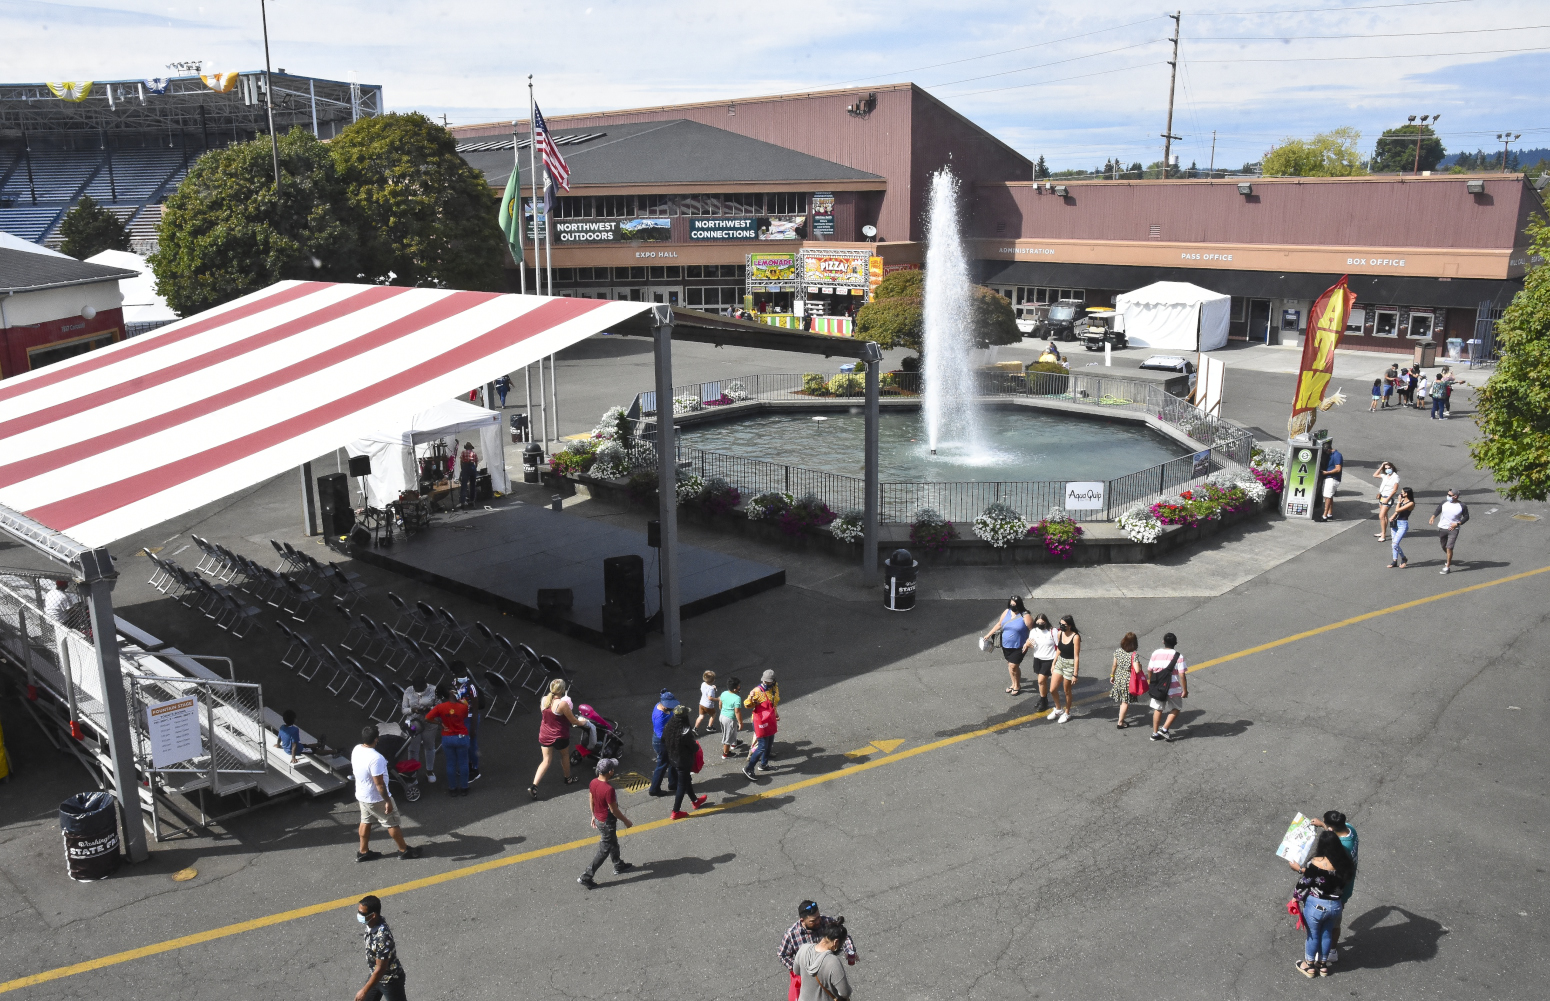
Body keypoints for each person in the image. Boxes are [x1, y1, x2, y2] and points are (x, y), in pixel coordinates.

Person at [1289, 829, 1357, 977]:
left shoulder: (1316, 863)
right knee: (1326, 935)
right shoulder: (1345, 863)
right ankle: (1323, 966)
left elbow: (1304, 883)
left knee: (1313, 935)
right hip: (1335, 906)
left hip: (1316, 906)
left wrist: (1296, 897)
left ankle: (1309, 966)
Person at [352, 725, 422, 862]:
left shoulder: (357, 749)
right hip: (376, 798)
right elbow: (379, 784)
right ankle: (403, 850)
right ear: (376, 739)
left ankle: (363, 851)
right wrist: (388, 801)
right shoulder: (376, 758)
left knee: (365, 821)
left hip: (362, 795)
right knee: (392, 822)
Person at [779, 900, 858, 1001]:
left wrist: (850, 950)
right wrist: (803, 967)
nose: (818, 922)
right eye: (813, 921)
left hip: (825, 973)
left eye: (818, 917)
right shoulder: (792, 935)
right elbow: (782, 955)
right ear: (802, 920)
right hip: (808, 977)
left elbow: (842, 934)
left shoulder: (825, 923)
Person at [578, 757, 635, 889]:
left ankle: (618, 865)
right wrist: (626, 821)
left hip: (599, 819)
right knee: (604, 850)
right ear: (610, 772)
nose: (614, 770)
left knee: (612, 842)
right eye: (613, 769)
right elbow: (614, 810)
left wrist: (593, 815)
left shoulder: (593, 782)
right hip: (606, 822)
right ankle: (586, 876)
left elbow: (591, 799)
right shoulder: (609, 790)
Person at [1311, 810, 1359, 964]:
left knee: (1332, 923)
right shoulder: (1350, 829)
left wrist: (1302, 870)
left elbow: (1326, 869)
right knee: (1333, 921)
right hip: (1347, 885)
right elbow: (1334, 833)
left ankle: (1331, 951)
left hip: (1338, 890)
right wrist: (1322, 825)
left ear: (1332, 828)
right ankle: (1330, 948)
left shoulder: (1341, 847)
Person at [531, 679, 582, 798]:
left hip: (544, 734)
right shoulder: (562, 704)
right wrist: (583, 723)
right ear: (563, 690)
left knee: (546, 760)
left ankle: (534, 786)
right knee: (564, 755)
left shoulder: (544, 700)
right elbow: (573, 720)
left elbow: (545, 716)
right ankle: (568, 778)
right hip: (560, 736)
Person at [355, 895, 407, 1001]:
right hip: (376, 976)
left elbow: (380, 969)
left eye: (362, 913)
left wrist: (364, 991)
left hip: (391, 981)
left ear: (373, 915)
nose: (359, 915)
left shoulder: (382, 938)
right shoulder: (372, 924)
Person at [662, 705, 709, 819]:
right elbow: (694, 748)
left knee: (686, 780)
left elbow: (663, 740)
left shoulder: (669, 726)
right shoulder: (685, 731)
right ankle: (675, 811)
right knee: (681, 786)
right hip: (684, 762)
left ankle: (695, 801)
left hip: (673, 759)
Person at [423, 687, 471, 796]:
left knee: (450, 764)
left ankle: (452, 789)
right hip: (461, 737)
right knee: (463, 763)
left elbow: (427, 718)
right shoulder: (463, 707)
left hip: (447, 737)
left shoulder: (440, 707)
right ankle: (464, 787)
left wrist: (439, 724)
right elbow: (468, 711)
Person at [983, 595, 1033, 696]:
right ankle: (1013, 683)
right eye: (1011, 604)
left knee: (1013, 665)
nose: (1012, 606)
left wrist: (1028, 643)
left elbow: (1033, 631)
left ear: (1019, 605)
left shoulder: (1025, 616)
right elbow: (999, 624)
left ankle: (1017, 685)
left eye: (1014, 605)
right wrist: (988, 635)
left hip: (1019, 646)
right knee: (1010, 665)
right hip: (1006, 645)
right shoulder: (1007, 612)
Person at [795, 919, 853, 1001]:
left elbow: (796, 971)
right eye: (841, 944)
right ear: (836, 942)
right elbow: (844, 992)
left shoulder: (804, 948)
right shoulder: (832, 962)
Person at [1146, 633, 1188, 741]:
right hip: (1173, 688)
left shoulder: (1156, 653)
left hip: (1158, 687)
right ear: (1176, 643)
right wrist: (1185, 690)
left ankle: (1155, 734)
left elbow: (1149, 670)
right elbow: (1182, 675)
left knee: (1158, 709)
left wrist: (1152, 682)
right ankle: (1164, 729)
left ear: (1163, 642)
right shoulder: (1179, 656)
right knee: (1176, 708)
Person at [399, 681, 440, 784]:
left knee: (430, 747)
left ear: (425, 686)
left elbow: (440, 707)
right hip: (414, 724)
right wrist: (412, 710)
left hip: (429, 724)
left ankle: (429, 771)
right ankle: (412, 774)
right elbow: (404, 710)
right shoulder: (408, 691)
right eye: (417, 691)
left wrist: (429, 709)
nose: (419, 693)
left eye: (421, 691)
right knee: (412, 749)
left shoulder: (434, 690)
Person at [1428, 487, 1469, 574]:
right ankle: (1449, 558)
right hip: (1443, 527)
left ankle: (1447, 567)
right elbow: (1438, 509)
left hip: (1453, 529)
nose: (1447, 496)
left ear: (1455, 496)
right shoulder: (1444, 502)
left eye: (1449, 495)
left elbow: (1466, 517)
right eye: (1447, 494)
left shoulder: (1462, 506)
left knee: (1449, 547)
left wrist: (1457, 524)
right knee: (1444, 546)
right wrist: (1433, 517)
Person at [647, 689, 680, 797]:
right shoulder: (660, 717)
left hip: (665, 740)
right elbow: (662, 735)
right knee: (662, 765)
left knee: (672, 761)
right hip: (662, 742)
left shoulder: (660, 705)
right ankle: (654, 789)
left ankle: (673, 784)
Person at [451, 667, 482, 782]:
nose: (463, 675)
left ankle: (475, 769)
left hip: (470, 718)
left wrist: (473, 727)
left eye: (464, 672)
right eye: (460, 673)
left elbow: (475, 707)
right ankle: (467, 765)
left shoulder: (471, 686)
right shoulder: (453, 685)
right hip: (459, 719)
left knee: (471, 744)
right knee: (462, 744)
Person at [1050, 614, 1081, 722]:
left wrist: (1075, 674)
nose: (1061, 626)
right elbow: (1059, 648)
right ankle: (1058, 709)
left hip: (1070, 664)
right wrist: (1054, 662)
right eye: (1060, 624)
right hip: (1060, 662)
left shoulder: (1075, 637)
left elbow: (1076, 657)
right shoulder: (1060, 633)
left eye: (1063, 625)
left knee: (1066, 691)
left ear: (1070, 625)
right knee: (1052, 689)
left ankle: (1067, 712)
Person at [1109, 632, 1142, 729]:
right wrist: (1139, 665)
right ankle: (1120, 722)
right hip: (1128, 680)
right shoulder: (1134, 655)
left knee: (1122, 700)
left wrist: (1112, 675)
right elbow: (1137, 670)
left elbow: (1114, 665)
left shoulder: (1118, 651)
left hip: (1119, 677)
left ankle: (1121, 717)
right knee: (1125, 702)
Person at [1027, 613, 1058, 712]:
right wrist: (1028, 645)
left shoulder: (1052, 631)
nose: (1040, 624)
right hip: (1037, 659)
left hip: (1049, 659)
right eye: (1038, 622)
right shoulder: (1033, 631)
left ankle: (1044, 701)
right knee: (1041, 682)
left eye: (1042, 622)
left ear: (1046, 622)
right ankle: (1043, 699)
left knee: (1041, 680)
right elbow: (1032, 645)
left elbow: (1058, 646)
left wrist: (1055, 661)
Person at [1372, 461, 1400, 541]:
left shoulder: (1395, 477)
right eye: (1386, 468)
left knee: (1381, 516)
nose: (1388, 470)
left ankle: (1383, 535)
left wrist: (1387, 499)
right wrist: (1381, 466)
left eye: (1389, 468)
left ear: (1392, 468)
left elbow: (1394, 490)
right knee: (1384, 515)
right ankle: (1383, 531)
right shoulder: (1385, 476)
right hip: (1382, 497)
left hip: (1388, 498)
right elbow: (1375, 475)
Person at [719, 676, 746, 759]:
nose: (739, 687)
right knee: (727, 736)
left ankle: (734, 743)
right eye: (738, 686)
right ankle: (726, 753)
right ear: (735, 689)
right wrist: (740, 722)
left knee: (731, 731)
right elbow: (737, 712)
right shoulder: (737, 698)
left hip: (722, 716)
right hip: (729, 719)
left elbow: (720, 703)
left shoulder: (724, 693)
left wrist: (723, 710)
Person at [1388, 486, 1415, 569]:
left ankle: (1403, 558)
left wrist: (1398, 502)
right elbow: (1396, 513)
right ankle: (1394, 561)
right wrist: (1393, 516)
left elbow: (1398, 510)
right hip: (1396, 523)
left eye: (1402, 492)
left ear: (1406, 494)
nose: (1401, 494)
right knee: (1393, 543)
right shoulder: (1403, 500)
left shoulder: (1411, 503)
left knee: (1395, 544)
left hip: (1403, 524)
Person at [1321, 445, 1343, 521]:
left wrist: (1326, 473)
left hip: (1332, 478)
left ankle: (1324, 516)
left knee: (1327, 496)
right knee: (1329, 496)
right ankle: (1330, 514)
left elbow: (1338, 469)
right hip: (1329, 478)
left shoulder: (1337, 455)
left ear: (1328, 450)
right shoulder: (1331, 454)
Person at [694, 669, 718, 734]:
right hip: (708, 705)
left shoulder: (703, 684)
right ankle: (709, 727)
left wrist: (712, 687)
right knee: (713, 714)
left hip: (701, 703)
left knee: (701, 716)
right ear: (713, 680)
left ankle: (695, 729)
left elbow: (705, 690)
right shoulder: (711, 689)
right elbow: (710, 698)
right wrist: (718, 699)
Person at [457, 441, 479, 506]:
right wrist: (474, 468)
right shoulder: (474, 453)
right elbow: (476, 462)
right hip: (472, 467)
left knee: (464, 484)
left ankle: (462, 502)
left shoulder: (463, 452)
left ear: (466, 448)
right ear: (471, 448)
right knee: (472, 485)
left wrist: (462, 469)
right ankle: (472, 500)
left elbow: (461, 461)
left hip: (465, 467)